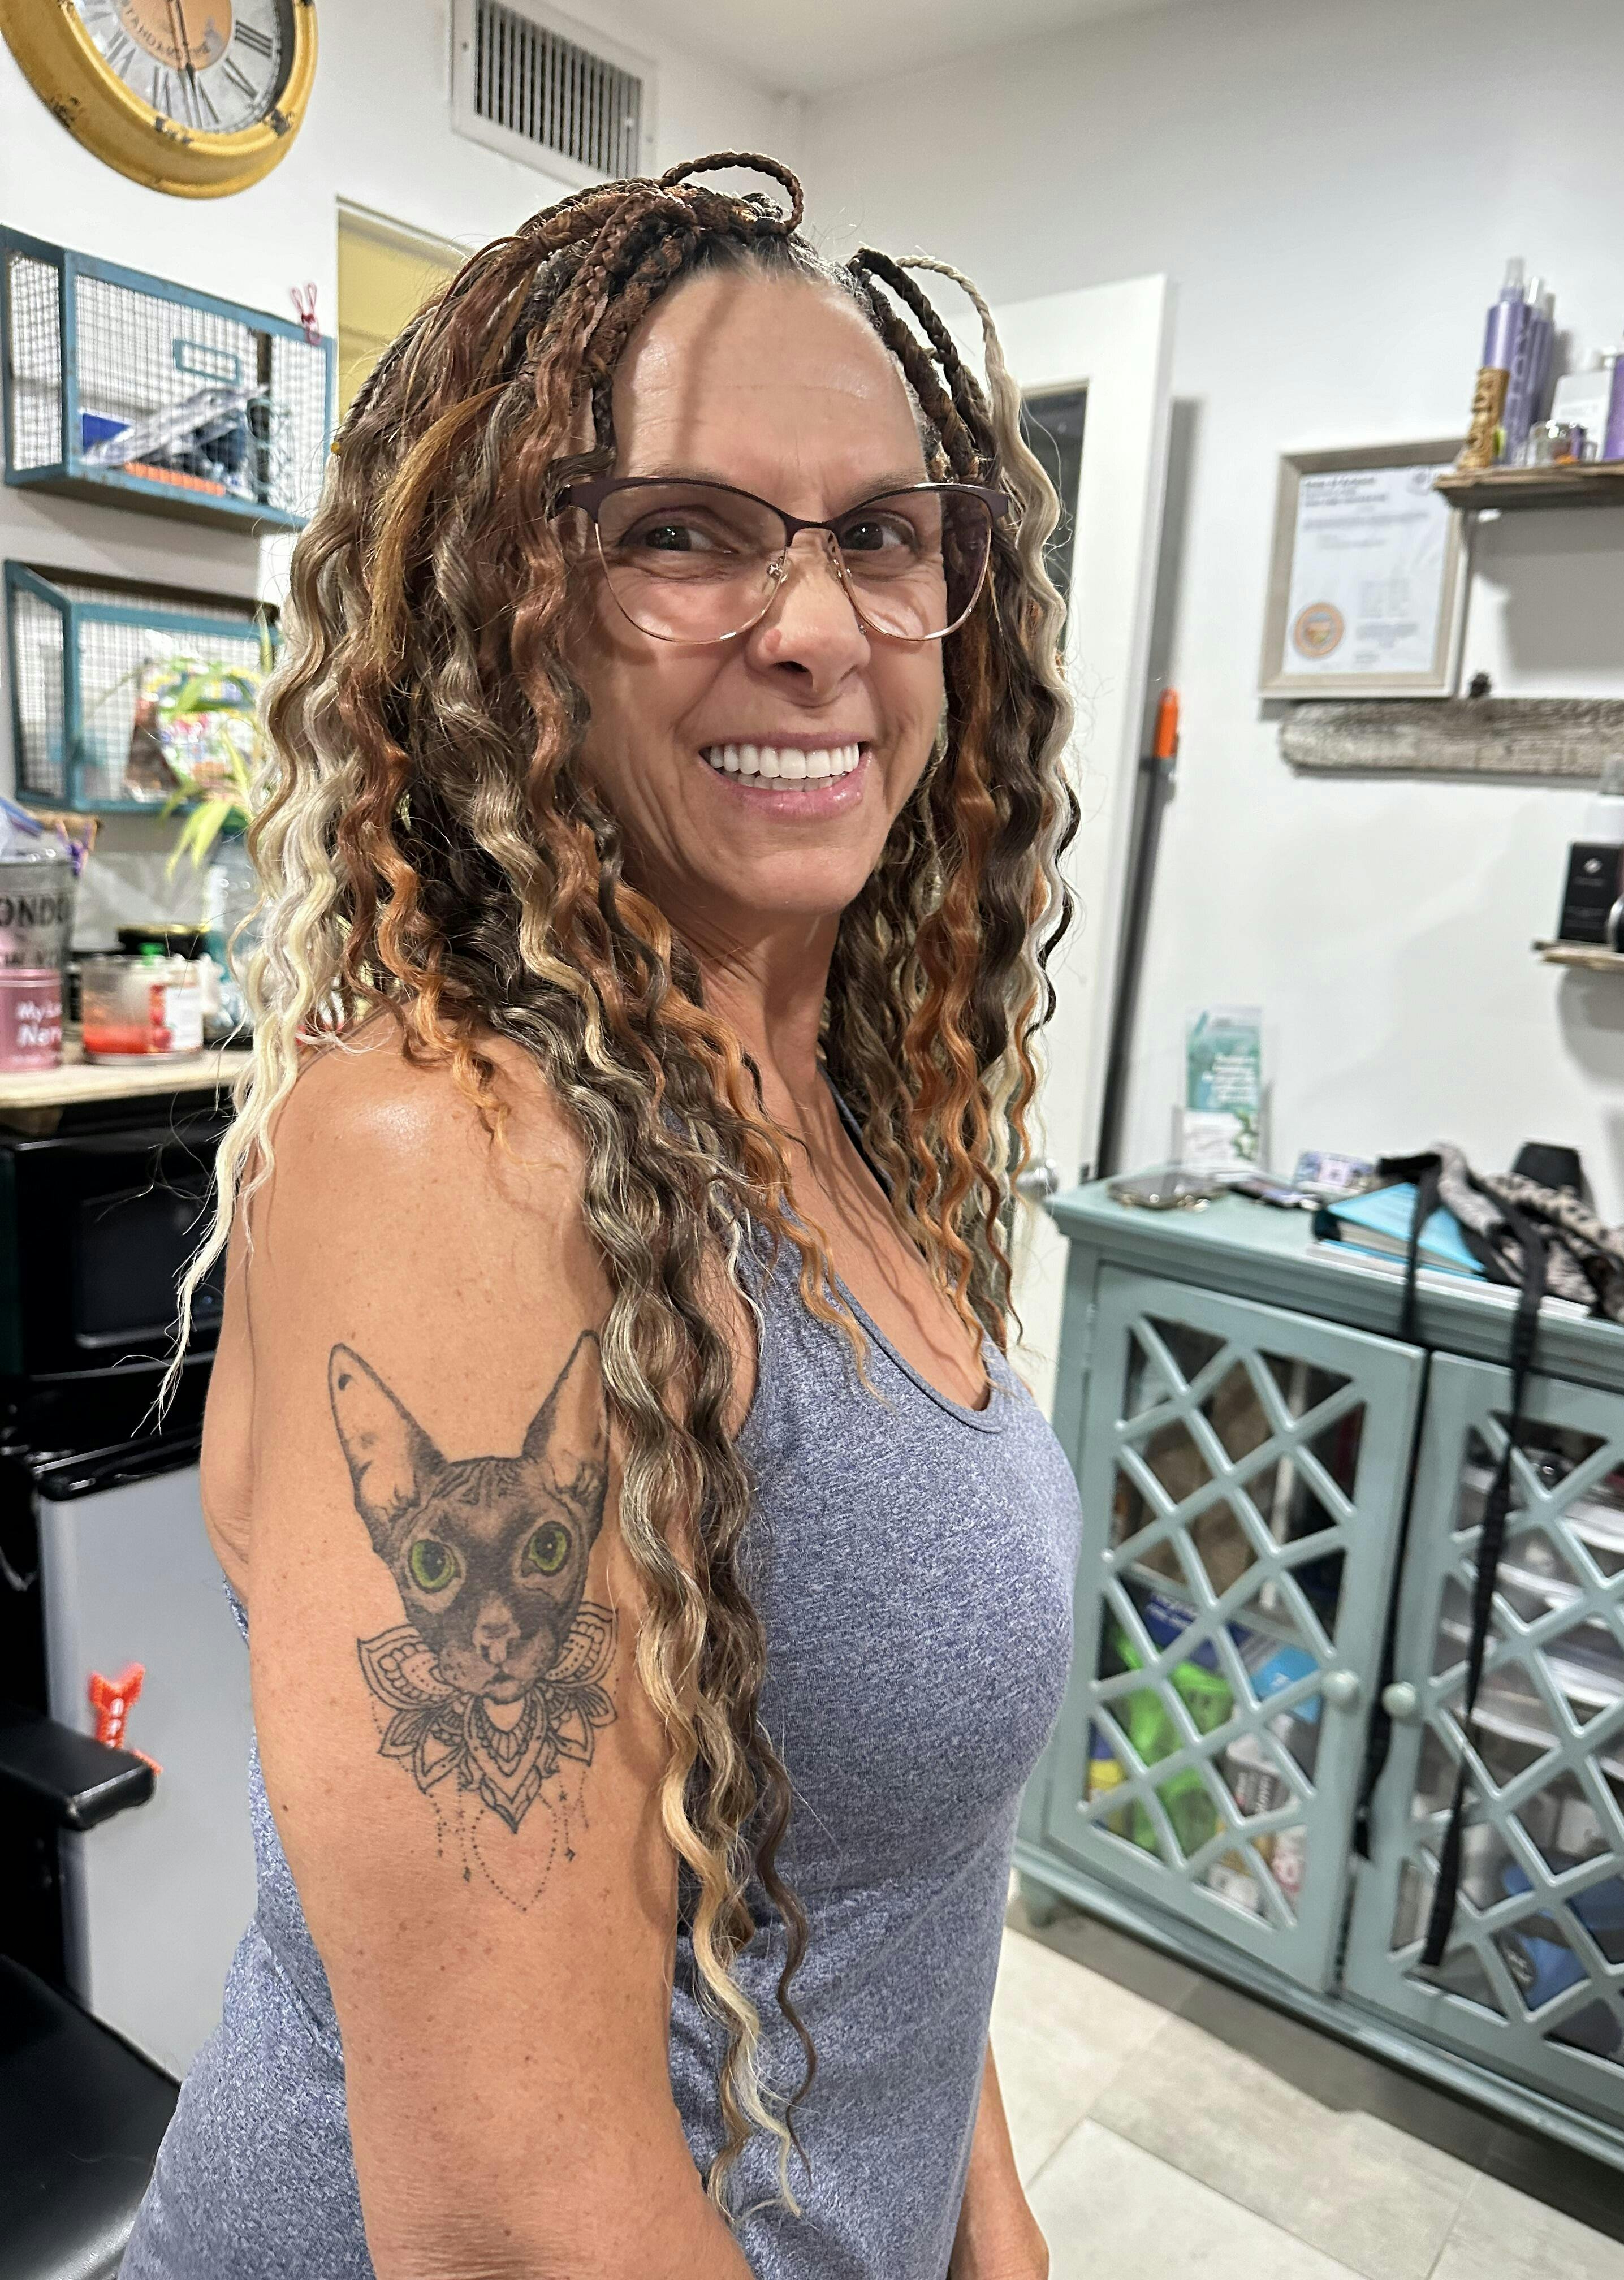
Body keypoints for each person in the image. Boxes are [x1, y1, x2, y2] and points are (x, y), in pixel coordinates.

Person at [120, 153, 1082, 2280]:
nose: (814, 628)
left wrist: (992, 2233)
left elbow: (893, 1876)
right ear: (507, 609)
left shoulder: (842, 1109)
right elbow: (509, 2215)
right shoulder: (461, 1157)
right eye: (681, 533)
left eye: (882, 536)